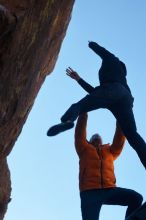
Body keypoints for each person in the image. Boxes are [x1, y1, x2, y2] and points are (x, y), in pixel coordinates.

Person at [47, 41, 146, 169]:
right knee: (132, 134)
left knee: (80, 106)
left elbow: (102, 51)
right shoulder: (123, 78)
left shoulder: (113, 59)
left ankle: (67, 121)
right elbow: (96, 93)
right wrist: (79, 79)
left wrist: (91, 44)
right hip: (125, 100)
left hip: (112, 90)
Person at [75, 112, 143, 220]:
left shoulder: (110, 151)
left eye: (98, 136)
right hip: (89, 192)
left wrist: (120, 115)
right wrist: (83, 112)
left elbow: (119, 137)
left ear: (102, 142)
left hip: (109, 189)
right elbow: (79, 132)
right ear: (89, 140)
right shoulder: (83, 148)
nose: (96, 136)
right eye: (94, 136)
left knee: (136, 198)